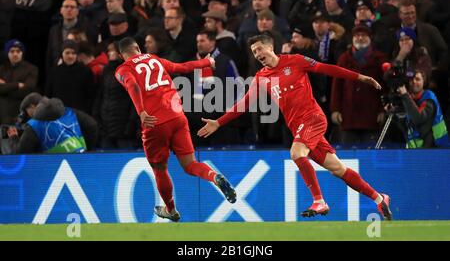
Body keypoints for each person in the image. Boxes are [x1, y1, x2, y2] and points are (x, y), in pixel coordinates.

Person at [198, 34, 393, 220]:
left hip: (313, 118)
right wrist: (218, 122)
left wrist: (361, 78)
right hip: (299, 127)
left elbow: (328, 69)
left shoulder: (296, 61)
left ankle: (319, 201)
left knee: (297, 153)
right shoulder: (261, 78)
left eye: (259, 49)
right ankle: (379, 197)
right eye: (254, 52)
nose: (257, 55)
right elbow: (244, 104)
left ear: (270, 47)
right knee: (338, 169)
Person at [115, 37, 236, 222]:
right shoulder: (154, 59)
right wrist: (206, 62)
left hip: (154, 123)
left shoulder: (123, 69)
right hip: (178, 117)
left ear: (120, 54)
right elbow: (182, 67)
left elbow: (131, 84)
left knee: (160, 169)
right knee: (190, 164)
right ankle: (215, 176)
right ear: (138, 48)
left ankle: (171, 210)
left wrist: (141, 111)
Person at [6, 92, 98, 154]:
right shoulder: (68, 111)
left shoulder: (34, 125)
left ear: (32, 106)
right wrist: (87, 149)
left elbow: (20, 153)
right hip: (81, 158)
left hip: (52, 168)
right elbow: (92, 125)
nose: (27, 116)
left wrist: (13, 138)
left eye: (26, 112)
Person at [396, 70, 450, 148]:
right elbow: (405, 127)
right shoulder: (409, 99)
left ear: (424, 82)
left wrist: (405, 95)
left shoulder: (429, 99)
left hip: (434, 151)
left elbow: (418, 118)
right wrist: (394, 113)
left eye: (417, 79)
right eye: (411, 79)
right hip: (414, 151)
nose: (414, 81)